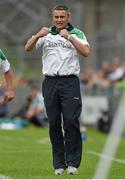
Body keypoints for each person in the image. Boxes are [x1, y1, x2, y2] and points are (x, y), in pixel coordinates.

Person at [25, 5, 90, 175]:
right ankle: (59, 164)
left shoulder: (77, 33)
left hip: (70, 82)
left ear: (68, 17)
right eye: (56, 17)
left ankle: (73, 163)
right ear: (53, 17)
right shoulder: (46, 34)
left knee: (70, 121)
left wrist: (70, 38)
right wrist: (38, 35)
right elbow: (28, 47)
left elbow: (86, 51)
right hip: (50, 82)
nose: (59, 20)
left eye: (62, 17)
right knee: (53, 122)